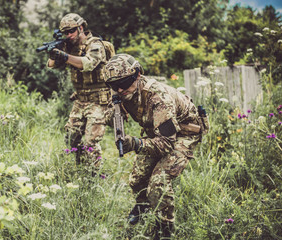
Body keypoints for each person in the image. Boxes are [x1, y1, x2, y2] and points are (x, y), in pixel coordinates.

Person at [103, 54, 208, 239]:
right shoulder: (121, 91)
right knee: (137, 180)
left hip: (184, 134)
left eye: (124, 82)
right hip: (158, 133)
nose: (119, 89)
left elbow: (167, 145)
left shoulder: (158, 98)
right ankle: (143, 206)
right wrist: (113, 112)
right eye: (113, 85)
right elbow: (111, 112)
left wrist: (135, 143)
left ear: (137, 75)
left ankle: (164, 229)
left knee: (158, 183)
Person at [47, 13, 113, 173]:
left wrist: (64, 56)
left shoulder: (95, 44)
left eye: (71, 31)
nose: (68, 35)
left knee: (91, 141)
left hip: (99, 99)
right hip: (80, 100)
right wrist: (54, 53)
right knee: (71, 137)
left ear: (81, 28)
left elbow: (89, 64)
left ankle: (94, 177)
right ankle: (81, 168)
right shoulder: (69, 47)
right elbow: (51, 65)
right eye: (65, 33)